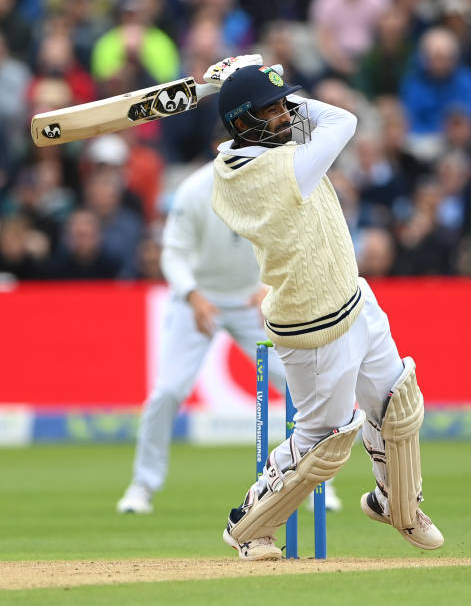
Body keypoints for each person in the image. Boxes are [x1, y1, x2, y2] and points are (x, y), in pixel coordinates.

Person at [207, 58, 444, 560]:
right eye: (273, 110)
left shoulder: (258, 150)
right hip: (313, 322)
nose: (287, 115)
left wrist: (245, 84)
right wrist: (242, 81)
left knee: (397, 403)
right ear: (243, 122)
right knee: (325, 442)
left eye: (285, 105)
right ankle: (248, 526)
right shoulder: (271, 170)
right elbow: (343, 120)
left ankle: (397, 506)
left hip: (353, 298)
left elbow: (289, 123)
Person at [116, 132, 342, 513]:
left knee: (298, 384)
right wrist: (193, 296)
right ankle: (142, 486)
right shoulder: (194, 190)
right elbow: (173, 254)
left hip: (254, 299)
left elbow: (293, 241)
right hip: (198, 301)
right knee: (167, 392)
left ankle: (320, 483)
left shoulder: (274, 184)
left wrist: (270, 286)